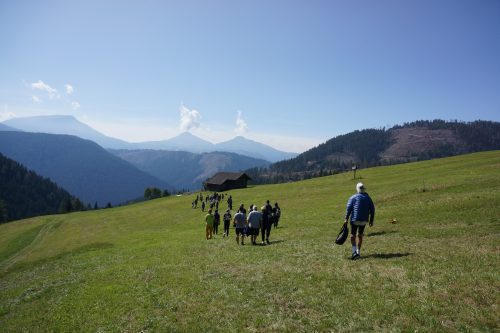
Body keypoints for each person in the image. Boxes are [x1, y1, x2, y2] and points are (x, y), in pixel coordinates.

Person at [344, 182, 375, 260]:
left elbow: (349, 209)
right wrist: (371, 220)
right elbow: (372, 209)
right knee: (360, 235)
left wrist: (346, 219)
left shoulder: (353, 197)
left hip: (355, 220)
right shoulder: (368, 198)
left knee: (352, 235)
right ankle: (358, 251)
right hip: (364, 220)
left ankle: (354, 252)